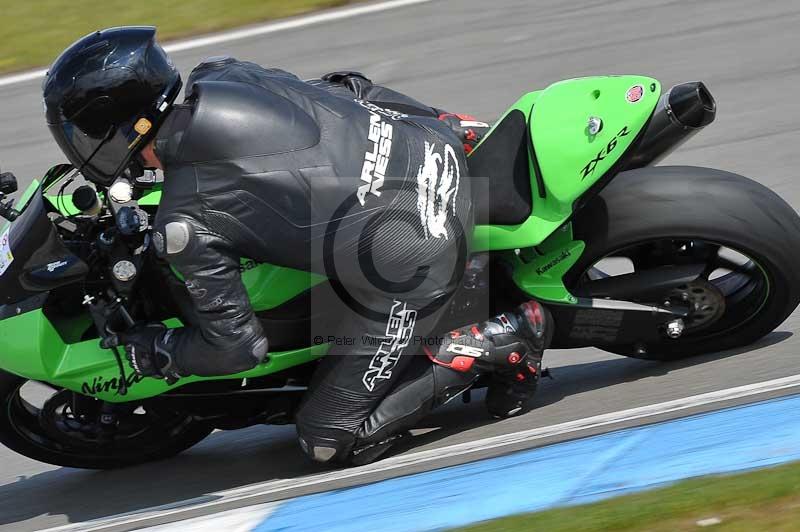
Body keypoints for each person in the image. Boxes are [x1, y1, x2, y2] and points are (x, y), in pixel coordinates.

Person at [42, 27, 553, 464]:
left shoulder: (187, 223)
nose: (82, 142)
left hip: (422, 254)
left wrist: (155, 350)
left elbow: (238, 349)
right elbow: (346, 87)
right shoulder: (223, 73)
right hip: (433, 145)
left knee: (328, 441)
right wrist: (433, 123)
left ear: (125, 121)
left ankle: (498, 340)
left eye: (83, 131)